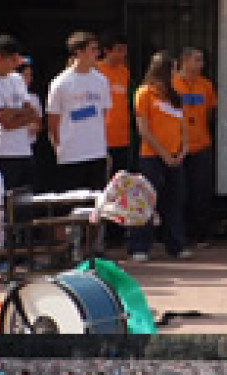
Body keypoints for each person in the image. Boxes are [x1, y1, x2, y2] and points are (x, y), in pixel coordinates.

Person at [130, 50, 189, 261]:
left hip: (175, 155)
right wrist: (164, 154)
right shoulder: (144, 93)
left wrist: (183, 148)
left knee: (174, 200)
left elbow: (182, 126)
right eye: (173, 68)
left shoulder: (175, 96)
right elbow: (144, 130)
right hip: (152, 156)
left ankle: (176, 244)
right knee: (146, 200)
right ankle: (140, 246)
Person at [47, 32, 111, 192]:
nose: (97, 53)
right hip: (72, 154)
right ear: (79, 52)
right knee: (72, 204)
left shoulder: (101, 80)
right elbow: (53, 120)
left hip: (96, 152)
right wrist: (58, 146)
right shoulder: (60, 83)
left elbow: (103, 114)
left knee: (96, 204)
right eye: (93, 49)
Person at [0, 35, 39, 191]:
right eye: (12, 59)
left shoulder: (16, 79)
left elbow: (33, 112)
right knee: (2, 202)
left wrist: (15, 112)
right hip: (1, 152)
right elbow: (6, 123)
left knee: (24, 201)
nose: (16, 64)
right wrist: (22, 113)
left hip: (23, 149)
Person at [173, 47, 216, 249]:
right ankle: (181, 233)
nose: (201, 64)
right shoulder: (172, 83)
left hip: (201, 144)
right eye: (197, 60)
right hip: (178, 146)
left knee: (201, 190)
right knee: (180, 192)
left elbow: (209, 112)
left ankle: (202, 233)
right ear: (184, 61)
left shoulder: (206, 86)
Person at [96, 33, 131, 245]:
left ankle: (117, 232)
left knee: (120, 188)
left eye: (124, 50)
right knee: (103, 188)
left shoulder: (124, 72)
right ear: (106, 51)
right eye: (118, 50)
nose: (123, 54)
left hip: (123, 137)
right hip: (103, 138)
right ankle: (102, 233)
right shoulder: (97, 71)